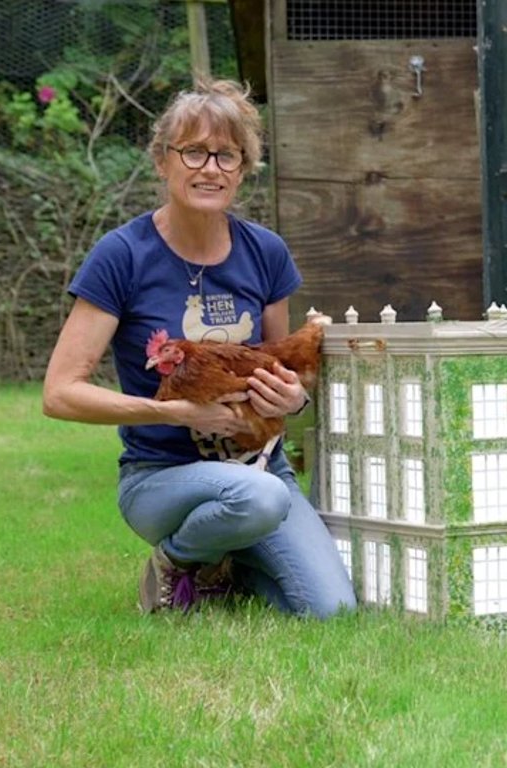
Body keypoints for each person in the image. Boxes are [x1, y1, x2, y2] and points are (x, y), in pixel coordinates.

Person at [42, 78, 355, 618]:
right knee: (262, 500)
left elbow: (283, 366)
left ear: (243, 169)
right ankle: (178, 558)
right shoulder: (122, 255)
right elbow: (60, 394)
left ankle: (230, 563)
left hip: (259, 468)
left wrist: (293, 401)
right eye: (192, 152)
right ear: (163, 162)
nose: (210, 168)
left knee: (331, 611)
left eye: (227, 155)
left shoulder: (265, 252)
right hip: (162, 477)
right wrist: (173, 411)